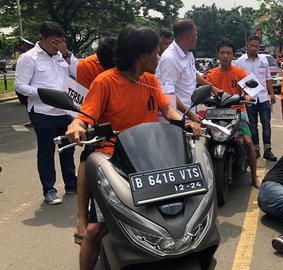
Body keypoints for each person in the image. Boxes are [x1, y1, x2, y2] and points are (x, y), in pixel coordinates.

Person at [66, 24, 201, 270]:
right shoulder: (105, 81)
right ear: (142, 55)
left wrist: (186, 121)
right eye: (156, 52)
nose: (159, 58)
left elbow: (166, 109)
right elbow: (85, 115)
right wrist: (76, 125)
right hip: (113, 161)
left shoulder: (149, 80)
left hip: (149, 158)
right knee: (96, 230)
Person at [15, 21, 78, 205]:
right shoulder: (29, 58)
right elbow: (20, 85)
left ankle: (71, 184)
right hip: (42, 112)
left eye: (61, 40)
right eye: (53, 41)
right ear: (41, 38)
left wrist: (66, 53)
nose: (57, 45)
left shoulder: (62, 56)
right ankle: (49, 189)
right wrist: (44, 94)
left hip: (64, 111)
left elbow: (78, 73)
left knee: (67, 148)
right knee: (46, 151)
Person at [73, 37, 117, 247]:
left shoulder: (142, 75)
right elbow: (84, 100)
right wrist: (80, 124)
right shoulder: (87, 67)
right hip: (97, 119)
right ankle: (82, 218)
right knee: (87, 156)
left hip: (126, 129)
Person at [205, 40, 261, 188]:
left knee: (249, 142)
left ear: (233, 55)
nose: (225, 56)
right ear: (218, 55)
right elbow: (203, 89)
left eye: (228, 53)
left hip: (237, 111)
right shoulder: (211, 74)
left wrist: (248, 95)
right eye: (222, 53)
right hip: (216, 113)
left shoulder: (240, 72)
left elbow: (252, 89)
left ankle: (255, 177)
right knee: (204, 141)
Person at [157, 18, 220, 124]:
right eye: (196, 34)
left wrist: (212, 87)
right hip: (177, 118)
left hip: (189, 113)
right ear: (189, 36)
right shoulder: (170, 58)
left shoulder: (188, 54)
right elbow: (168, 94)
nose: (197, 38)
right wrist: (190, 115)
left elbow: (193, 74)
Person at [235, 36, 278, 161]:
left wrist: (272, 94)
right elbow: (238, 80)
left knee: (266, 124)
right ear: (247, 45)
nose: (254, 48)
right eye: (251, 45)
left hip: (263, 97)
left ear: (259, 47)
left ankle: (268, 149)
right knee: (252, 125)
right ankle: (256, 149)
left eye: (256, 46)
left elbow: (268, 78)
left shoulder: (264, 60)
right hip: (249, 98)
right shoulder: (240, 61)